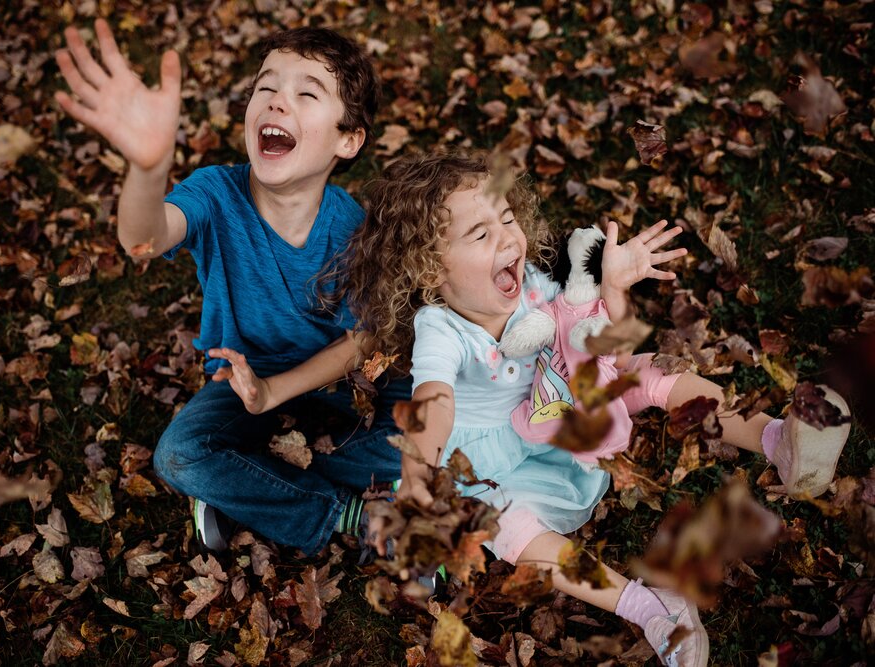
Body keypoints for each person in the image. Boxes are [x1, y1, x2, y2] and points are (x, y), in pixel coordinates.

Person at [343, 152, 852, 666]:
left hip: (560, 402)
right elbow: (435, 398)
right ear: (429, 267)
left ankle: (776, 440)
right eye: (480, 234)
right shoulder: (440, 327)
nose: (506, 238)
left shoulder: (533, 288)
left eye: (507, 219)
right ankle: (651, 610)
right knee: (506, 529)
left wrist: (613, 289)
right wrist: (417, 468)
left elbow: (607, 348)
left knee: (651, 370)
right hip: (496, 464)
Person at [55, 19, 409, 556]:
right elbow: (143, 242)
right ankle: (343, 512)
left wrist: (280, 393)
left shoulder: (352, 228)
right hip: (246, 385)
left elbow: (362, 344)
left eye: (305, 93)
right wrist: (147, 169)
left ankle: (247, 485)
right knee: (180, 455)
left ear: (348, 139)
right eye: (265, 88)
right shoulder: (215, 193)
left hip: (332, 386)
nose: (276, 102)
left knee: (426, 426)